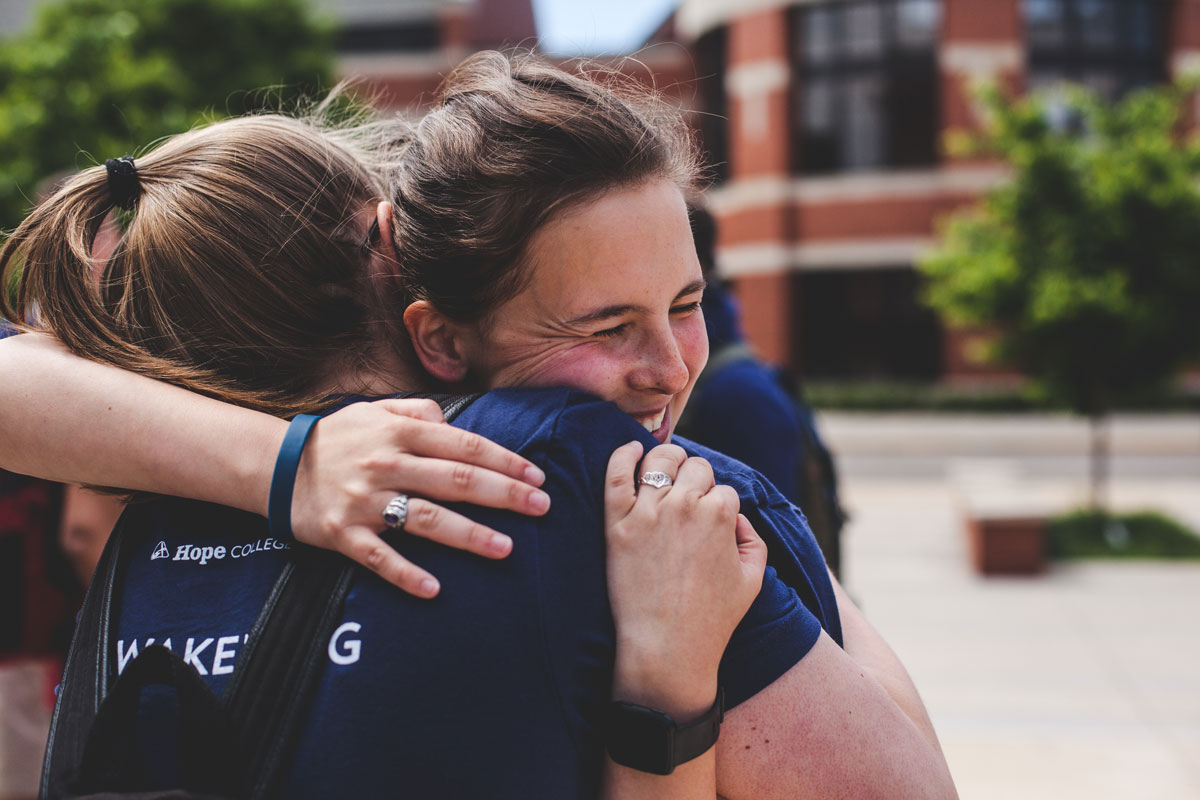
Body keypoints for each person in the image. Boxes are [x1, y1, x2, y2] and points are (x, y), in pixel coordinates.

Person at [0, 53, 957, 798]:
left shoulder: (155, 501)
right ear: (404, 274)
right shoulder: (590, 479)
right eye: (605, 324)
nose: (668, 366)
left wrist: (278, 462)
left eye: (685, 303)